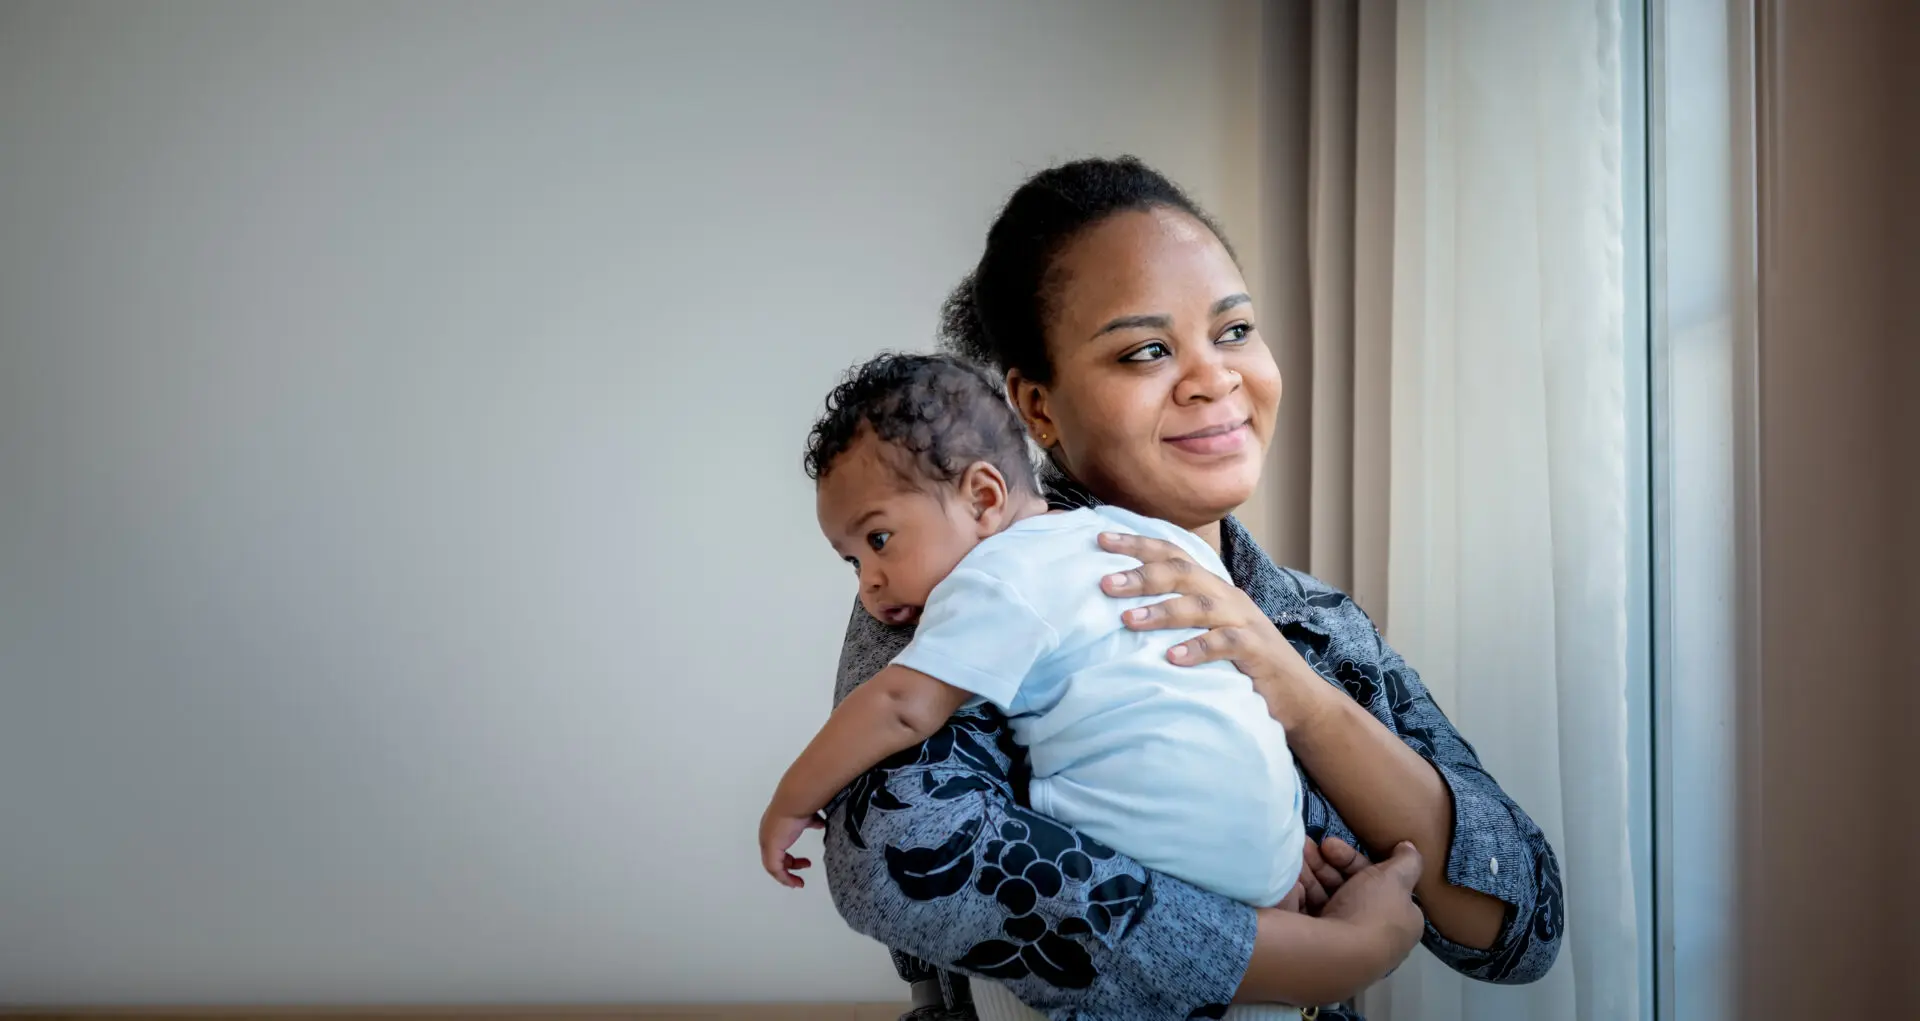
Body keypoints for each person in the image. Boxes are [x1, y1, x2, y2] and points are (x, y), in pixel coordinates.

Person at [819, 157, 1562, 1021]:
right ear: (1038, 405)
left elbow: (1520, 922)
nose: (1214, 378)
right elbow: (897, 856)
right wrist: (1324, 953)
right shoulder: (967, 583)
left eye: (1235, 330)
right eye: (1147, 350)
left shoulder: (1316, 624)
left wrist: (1304, 700)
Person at [763, 354, 1421, 950]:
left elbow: (903, 706)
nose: (869, 582)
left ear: (984, 497)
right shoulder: (1145, 538)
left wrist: (792, 799)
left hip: (1154, 861)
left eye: (878, 540)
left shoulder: (991, 578)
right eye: (851, 561)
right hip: (1275, 852)